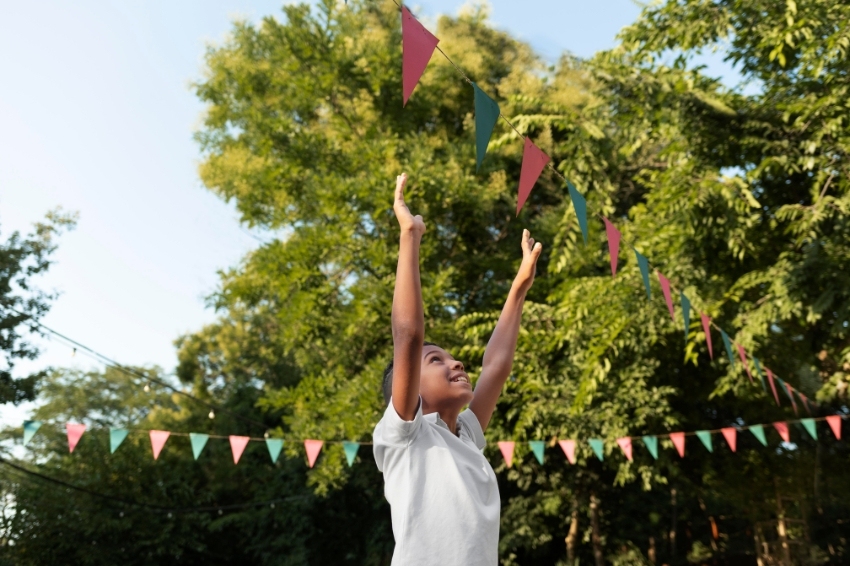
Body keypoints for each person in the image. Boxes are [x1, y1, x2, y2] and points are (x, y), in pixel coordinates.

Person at [373, 172, 543, 565]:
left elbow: (496, 367)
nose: (455, 362)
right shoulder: (406, 435)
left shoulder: (465, 435)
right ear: (411, 385)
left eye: (451, 357)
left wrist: (519, 287)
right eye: (437, 360)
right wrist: (410, 235)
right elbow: (409, 335)